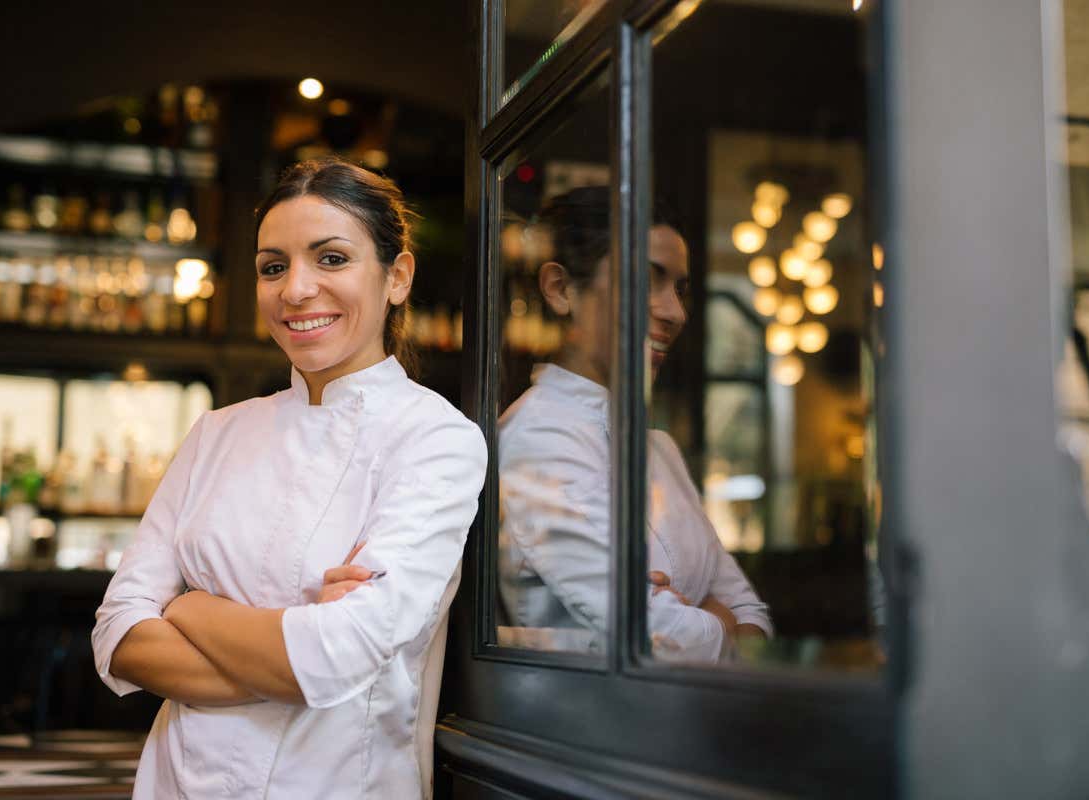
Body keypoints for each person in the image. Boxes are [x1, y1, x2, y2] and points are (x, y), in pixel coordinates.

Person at [92, 158, 487, 799]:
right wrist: (289, 652)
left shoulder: (437, 440)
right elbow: (117, 635)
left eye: (331, 259)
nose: (296, 289)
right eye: (273, 267)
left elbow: (336, 654)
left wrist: (186, 606)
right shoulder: (217, 433)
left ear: (398, 277)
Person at [497, 185, 771, 661]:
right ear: (561, 290)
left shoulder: (658, 448)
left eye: (679, 288)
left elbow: (751, 612)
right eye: (646, 279)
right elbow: (655, 634)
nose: (675, 312)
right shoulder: (537, 436)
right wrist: (716, 621)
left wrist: (703, 620)